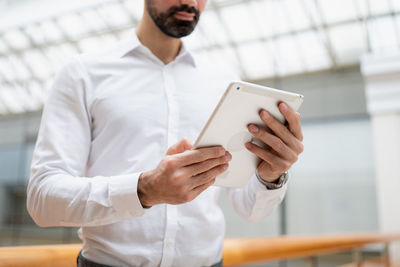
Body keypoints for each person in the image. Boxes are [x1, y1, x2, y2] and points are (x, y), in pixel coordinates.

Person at [27, 0, 304, 266]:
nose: (191, 2)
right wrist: (145, 190)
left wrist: (270, 175)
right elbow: (43, 199)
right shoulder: (83, 74)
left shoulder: (223, 82)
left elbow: (250, 208)